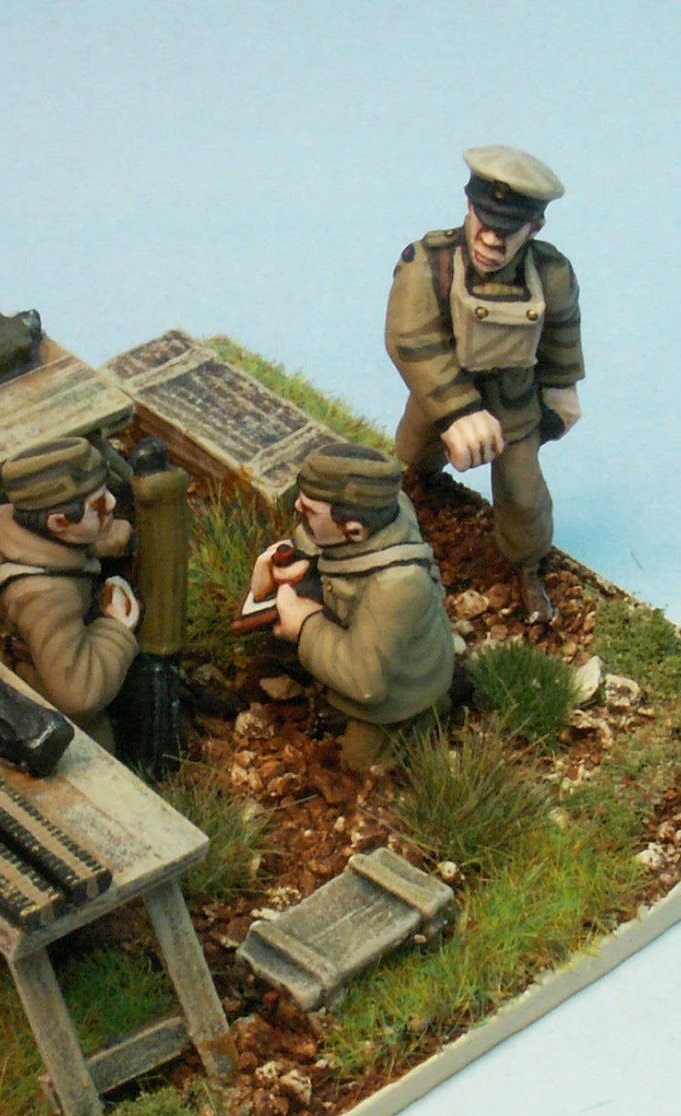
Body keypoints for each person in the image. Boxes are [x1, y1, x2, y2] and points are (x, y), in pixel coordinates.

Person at [384, 144, 585, 624]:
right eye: (484, 221)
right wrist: (456, 411)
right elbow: (410, 337)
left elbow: (561, 333)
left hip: (514, 403)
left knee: (524, 499)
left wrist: (562, 388)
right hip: (441, 394)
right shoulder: (428, 262)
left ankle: (527, 569)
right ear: (469, 207)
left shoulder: (551, 274)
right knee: (414, 454)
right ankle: (414, 501)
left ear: (534, 227)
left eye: (508, 228)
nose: (492, 239)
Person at [251, 444, 454, 773]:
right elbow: (319, 540)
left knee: (361, 765)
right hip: (362, 634)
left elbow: (366, 682)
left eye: (310, 510)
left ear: (355, 530)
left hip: (401, 683)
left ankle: (427, 713)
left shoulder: (396, 585)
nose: (297, 508)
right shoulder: (376, 513)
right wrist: (290, 557)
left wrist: (305, 626)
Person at [0, 437, 141, 750]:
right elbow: (79, 694)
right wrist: (116, 627)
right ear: (58, 522)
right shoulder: (46, 596)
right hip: (36, 690)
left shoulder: (1, 521)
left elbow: (51, 548)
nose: (112, 503)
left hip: (16, 644)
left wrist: (102, 537)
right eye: (98, 505)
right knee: (94, 745)